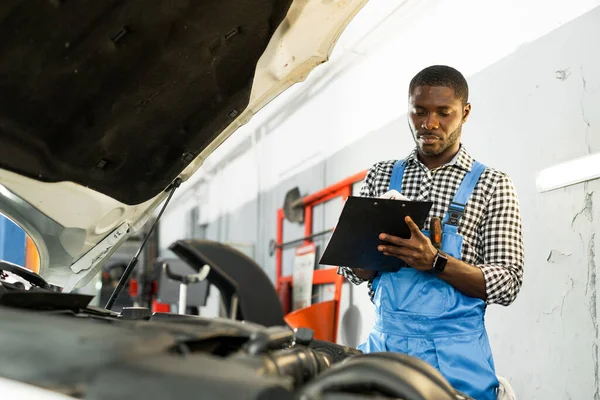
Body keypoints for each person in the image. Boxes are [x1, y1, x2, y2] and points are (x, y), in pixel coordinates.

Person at [337, 65, 524, 400]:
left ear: (465, 113)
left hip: (457, 363)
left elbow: (508, 282)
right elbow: (354, 270)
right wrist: (366, 251)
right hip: (386, 350)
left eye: (444, 113)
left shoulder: (493, 184)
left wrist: (435, 261)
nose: (429, 124)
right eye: (419, 111)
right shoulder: (380, 177)